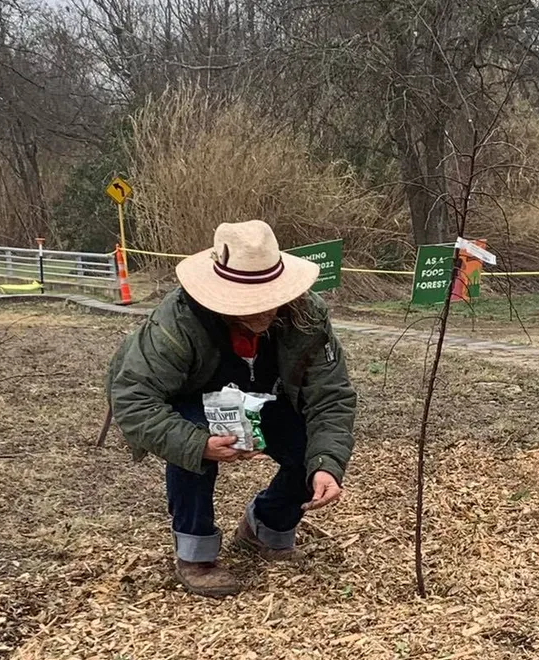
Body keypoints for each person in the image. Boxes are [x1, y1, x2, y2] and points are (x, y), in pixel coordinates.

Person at [106, 220, 356, 598]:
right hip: (194, 401)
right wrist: (199, 445)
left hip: (268, 397)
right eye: (247, 304)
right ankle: (195, 553)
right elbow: (133, 398)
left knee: (309, 450)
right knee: (190, 445)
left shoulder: (308, 317)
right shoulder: (177, 320)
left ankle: (266, 527)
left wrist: (327, 464)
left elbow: (331, 396)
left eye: (269, 300)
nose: (262, 313)